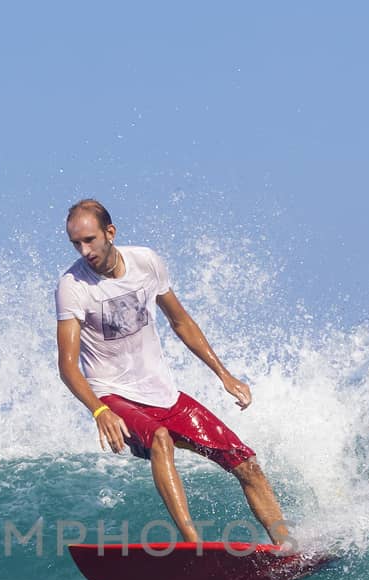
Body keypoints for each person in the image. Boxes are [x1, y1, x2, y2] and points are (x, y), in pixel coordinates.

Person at [55, 198, 291, 546]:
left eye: (89, 240)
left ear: (110, 232)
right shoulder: (73, 286)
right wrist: (99, 409)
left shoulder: (146, 262)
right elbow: (67, 365)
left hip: (163, 394)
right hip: (114, 395)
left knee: (247, 464)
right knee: (160, 439)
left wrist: (223, 374)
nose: (84, 250)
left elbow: (180, 321)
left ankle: (288, 547)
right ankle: (193, 545)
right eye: (76, 243)